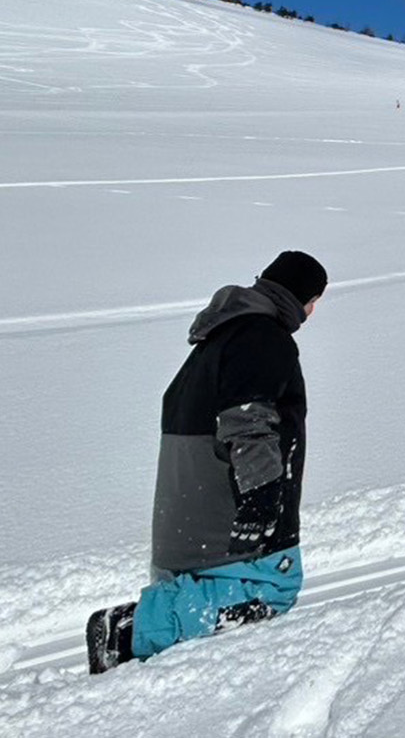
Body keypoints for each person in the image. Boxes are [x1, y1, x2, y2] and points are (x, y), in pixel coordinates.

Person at [86, 250, 327, 674]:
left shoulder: (220, 340)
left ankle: (172, 652)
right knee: (273, 590)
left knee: (234, 600)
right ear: (300, 296)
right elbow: (248, 421)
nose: (312, 311)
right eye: (314, 300)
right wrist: (262, 498)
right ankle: (129, 629)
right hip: (226, 519)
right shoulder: (262, 338)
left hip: (189, 519)